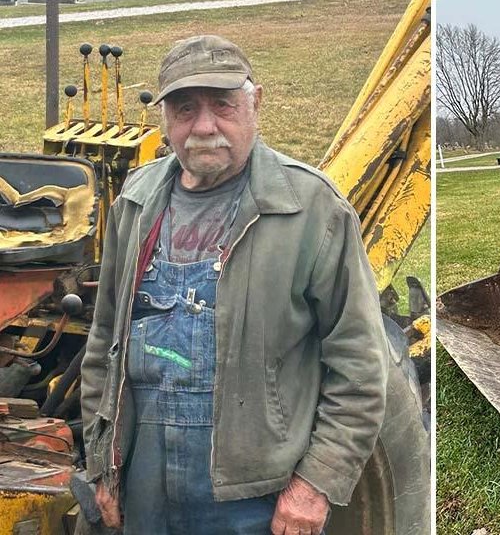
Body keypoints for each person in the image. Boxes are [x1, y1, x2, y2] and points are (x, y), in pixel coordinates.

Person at [80, 35, 388, 534]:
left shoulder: (312, 210)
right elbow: (103, 346)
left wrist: (315, 484)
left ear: (255, 104)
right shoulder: (134, 204)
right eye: (185, 108)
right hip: (144, 485)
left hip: (255, 499)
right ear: (165, 119)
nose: (204, 127)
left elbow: (360, 365)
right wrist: (102, 465)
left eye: (222, 105)